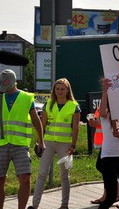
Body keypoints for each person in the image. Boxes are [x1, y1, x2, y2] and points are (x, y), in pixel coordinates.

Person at [30, 78, 81, 209]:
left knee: (64, 175)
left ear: (67, 90)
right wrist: (39, 141)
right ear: (54, 90)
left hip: (65, 144)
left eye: (62, 89)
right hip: (48, 142)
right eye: (57, 89)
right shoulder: (49, 103)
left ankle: (64, 205)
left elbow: (76, 128)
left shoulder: (74, 106)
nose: (59, 91)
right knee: (42, 173)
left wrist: (73, 145)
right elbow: (43, 124)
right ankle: (34, 205)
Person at [0, 69, 45, 209]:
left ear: (14, 82)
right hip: (1, 144)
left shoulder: (26, 97)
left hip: (20, 145)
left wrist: (41, 141)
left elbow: (35, 120)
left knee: (25, 179)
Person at [98, 78, 119, 209]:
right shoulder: (107, 113)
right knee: (111, 196)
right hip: (109, 157)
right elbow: (101, 112)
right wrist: (105, 92)